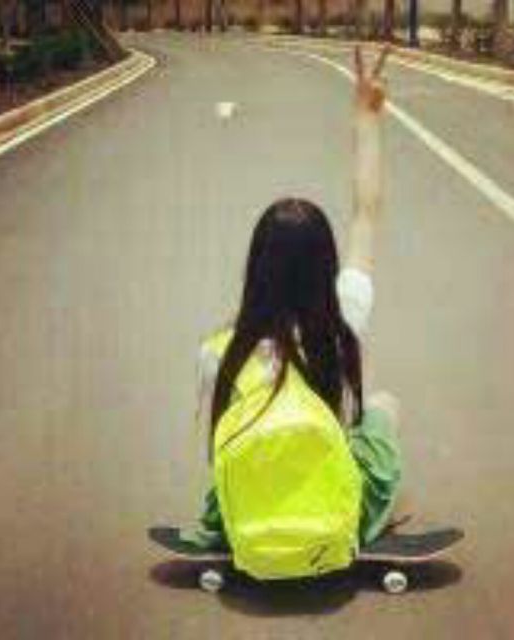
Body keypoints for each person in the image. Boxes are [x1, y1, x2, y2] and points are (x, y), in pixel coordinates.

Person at [182, 45, 406, 552]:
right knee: (383, 407)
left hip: (249, 508)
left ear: (256, 269)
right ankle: (362, 516)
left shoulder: (218, 351)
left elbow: (217, 449)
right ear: (326, 266)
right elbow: (366, 214)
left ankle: (231, 520)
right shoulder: (342, 322)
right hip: (332, 510)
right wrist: (368, 118)